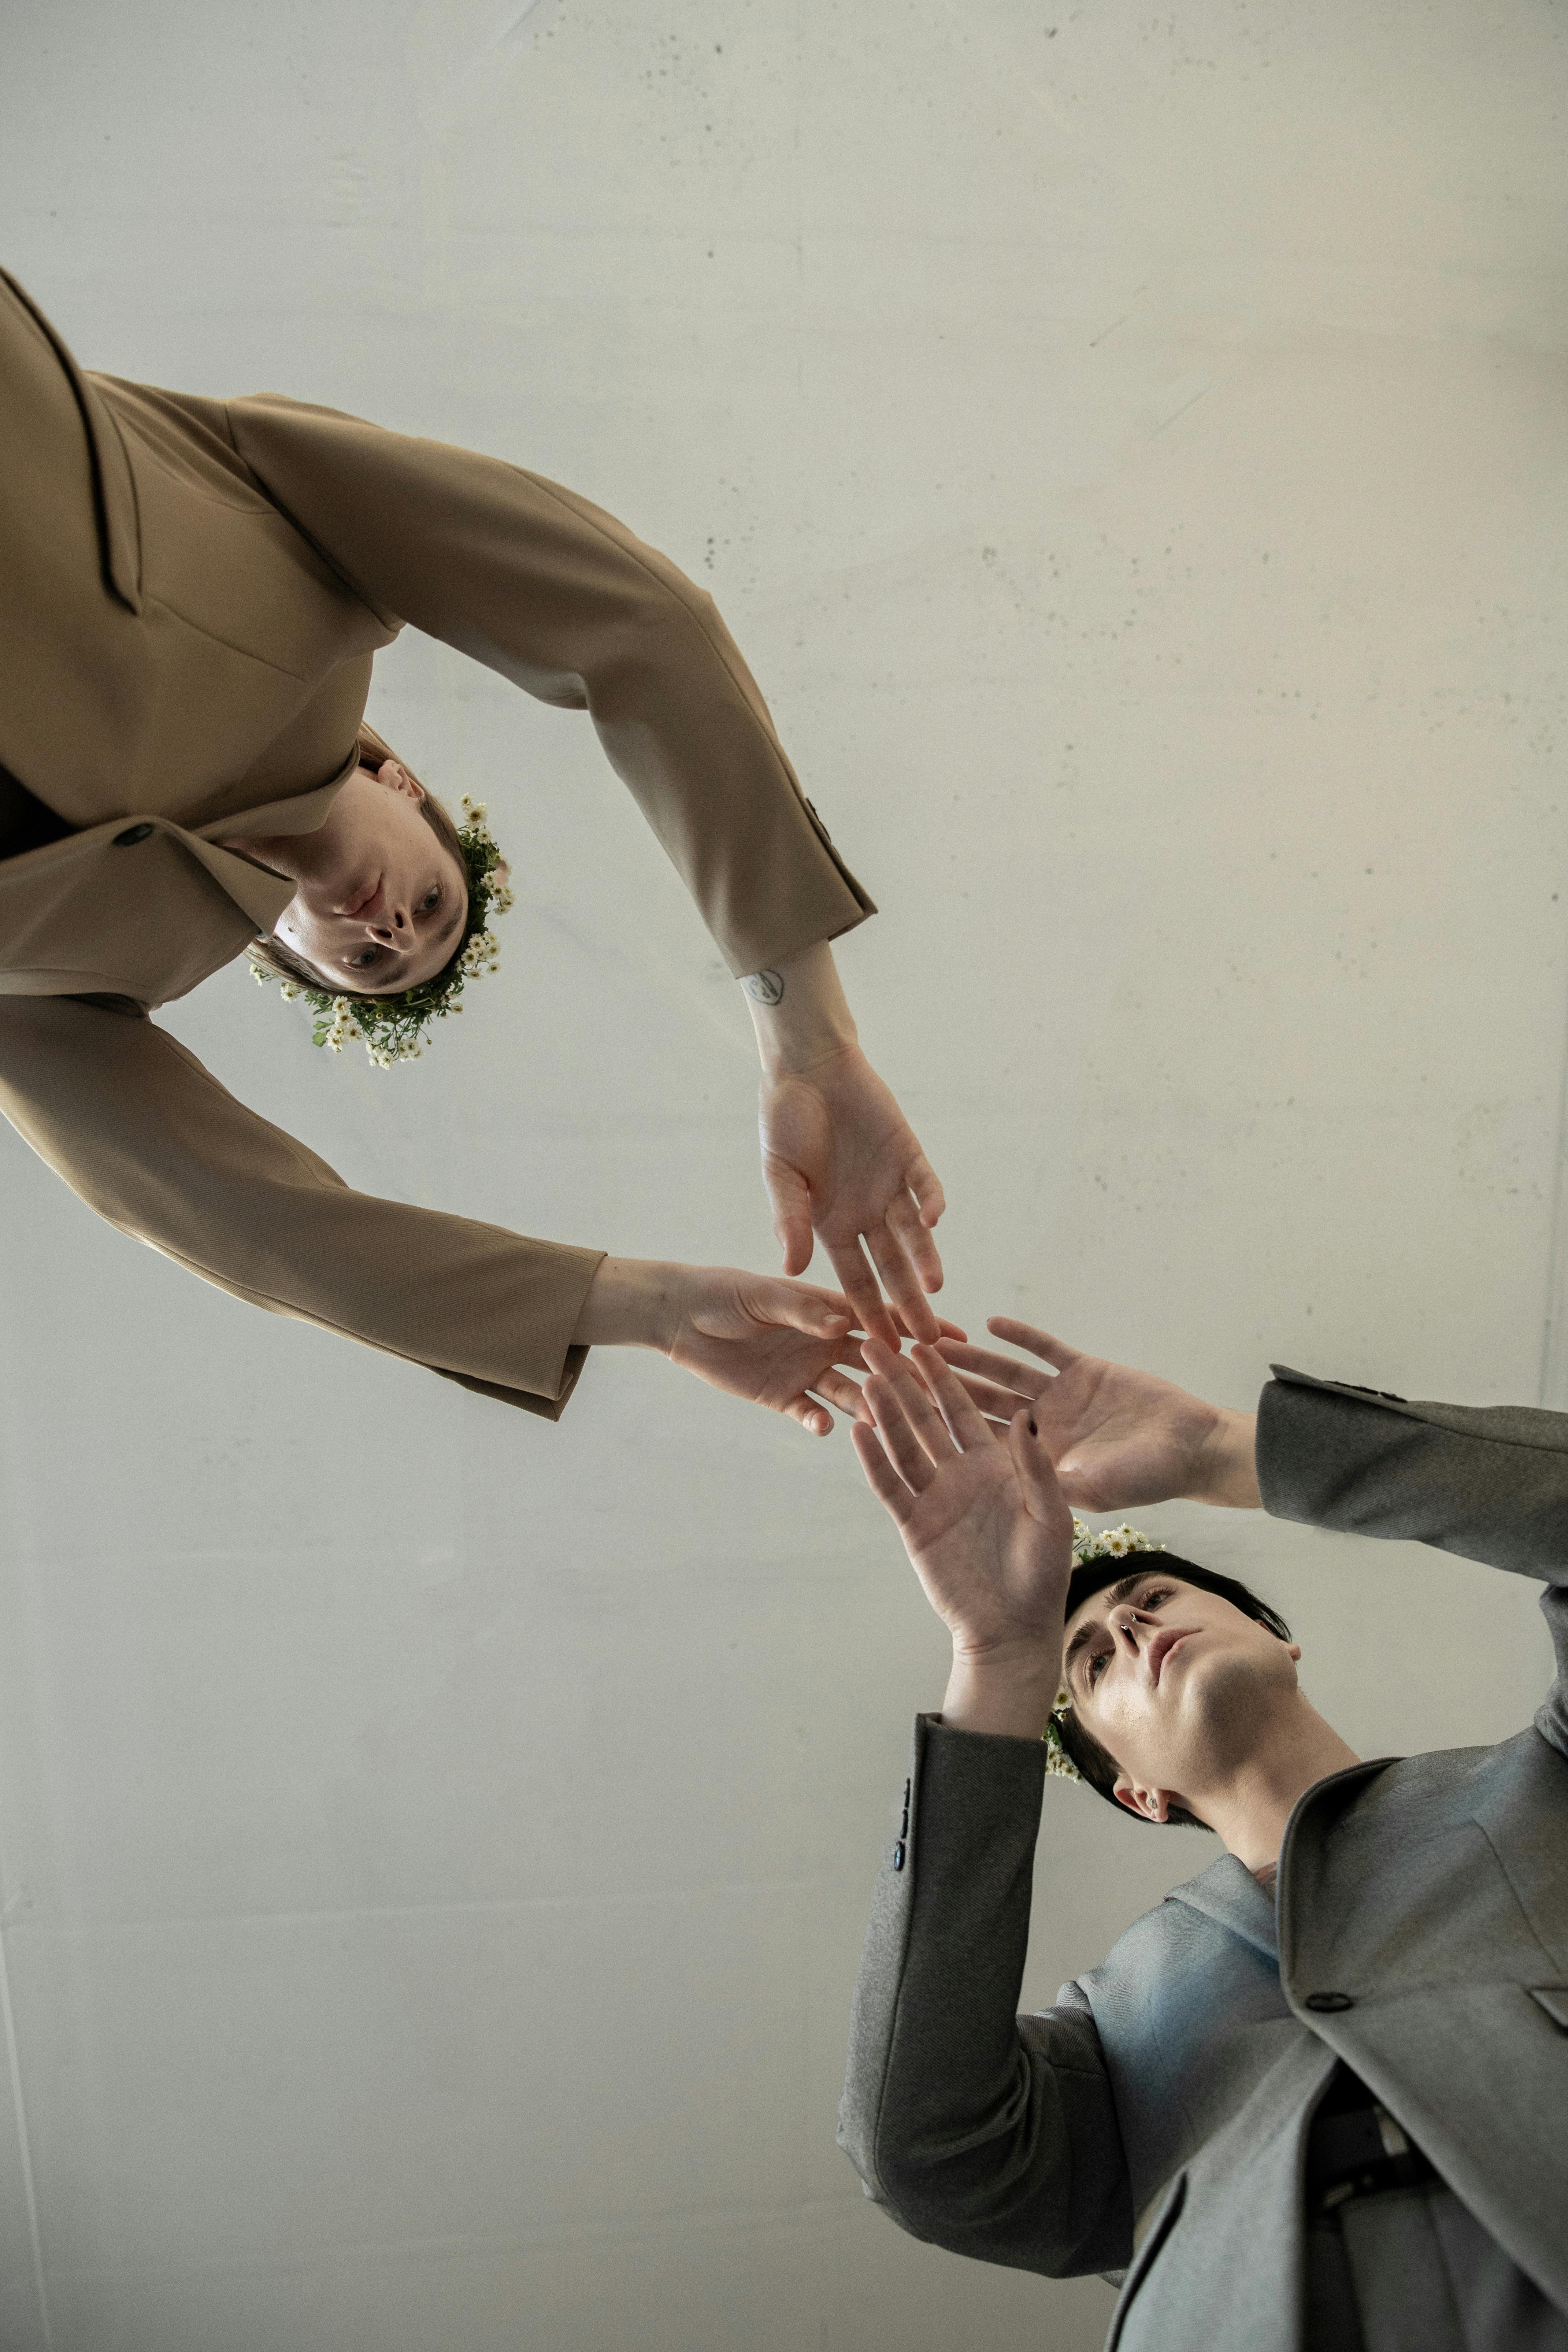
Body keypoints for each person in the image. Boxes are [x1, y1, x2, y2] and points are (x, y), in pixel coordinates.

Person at [0, 262, 947, 1424]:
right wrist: (809, 1046)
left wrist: (637, 1303)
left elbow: (243, 1218)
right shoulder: (318, 569)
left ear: (283, 953)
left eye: (375, 962)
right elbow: (639, 624)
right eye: (436, 907)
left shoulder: (71, 988)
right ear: (403, 784)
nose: (392, 927)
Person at [837, 1321, 1568, 2351]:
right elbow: (924, 2158)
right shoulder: (1108, 2022)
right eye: (1090, 1663)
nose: (1129, 1628)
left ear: (1276, 1638)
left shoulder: (1549, 1781)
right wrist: (1002, 1660)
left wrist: (1225, 1451)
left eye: (1147, 1598)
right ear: (1134, 1793)